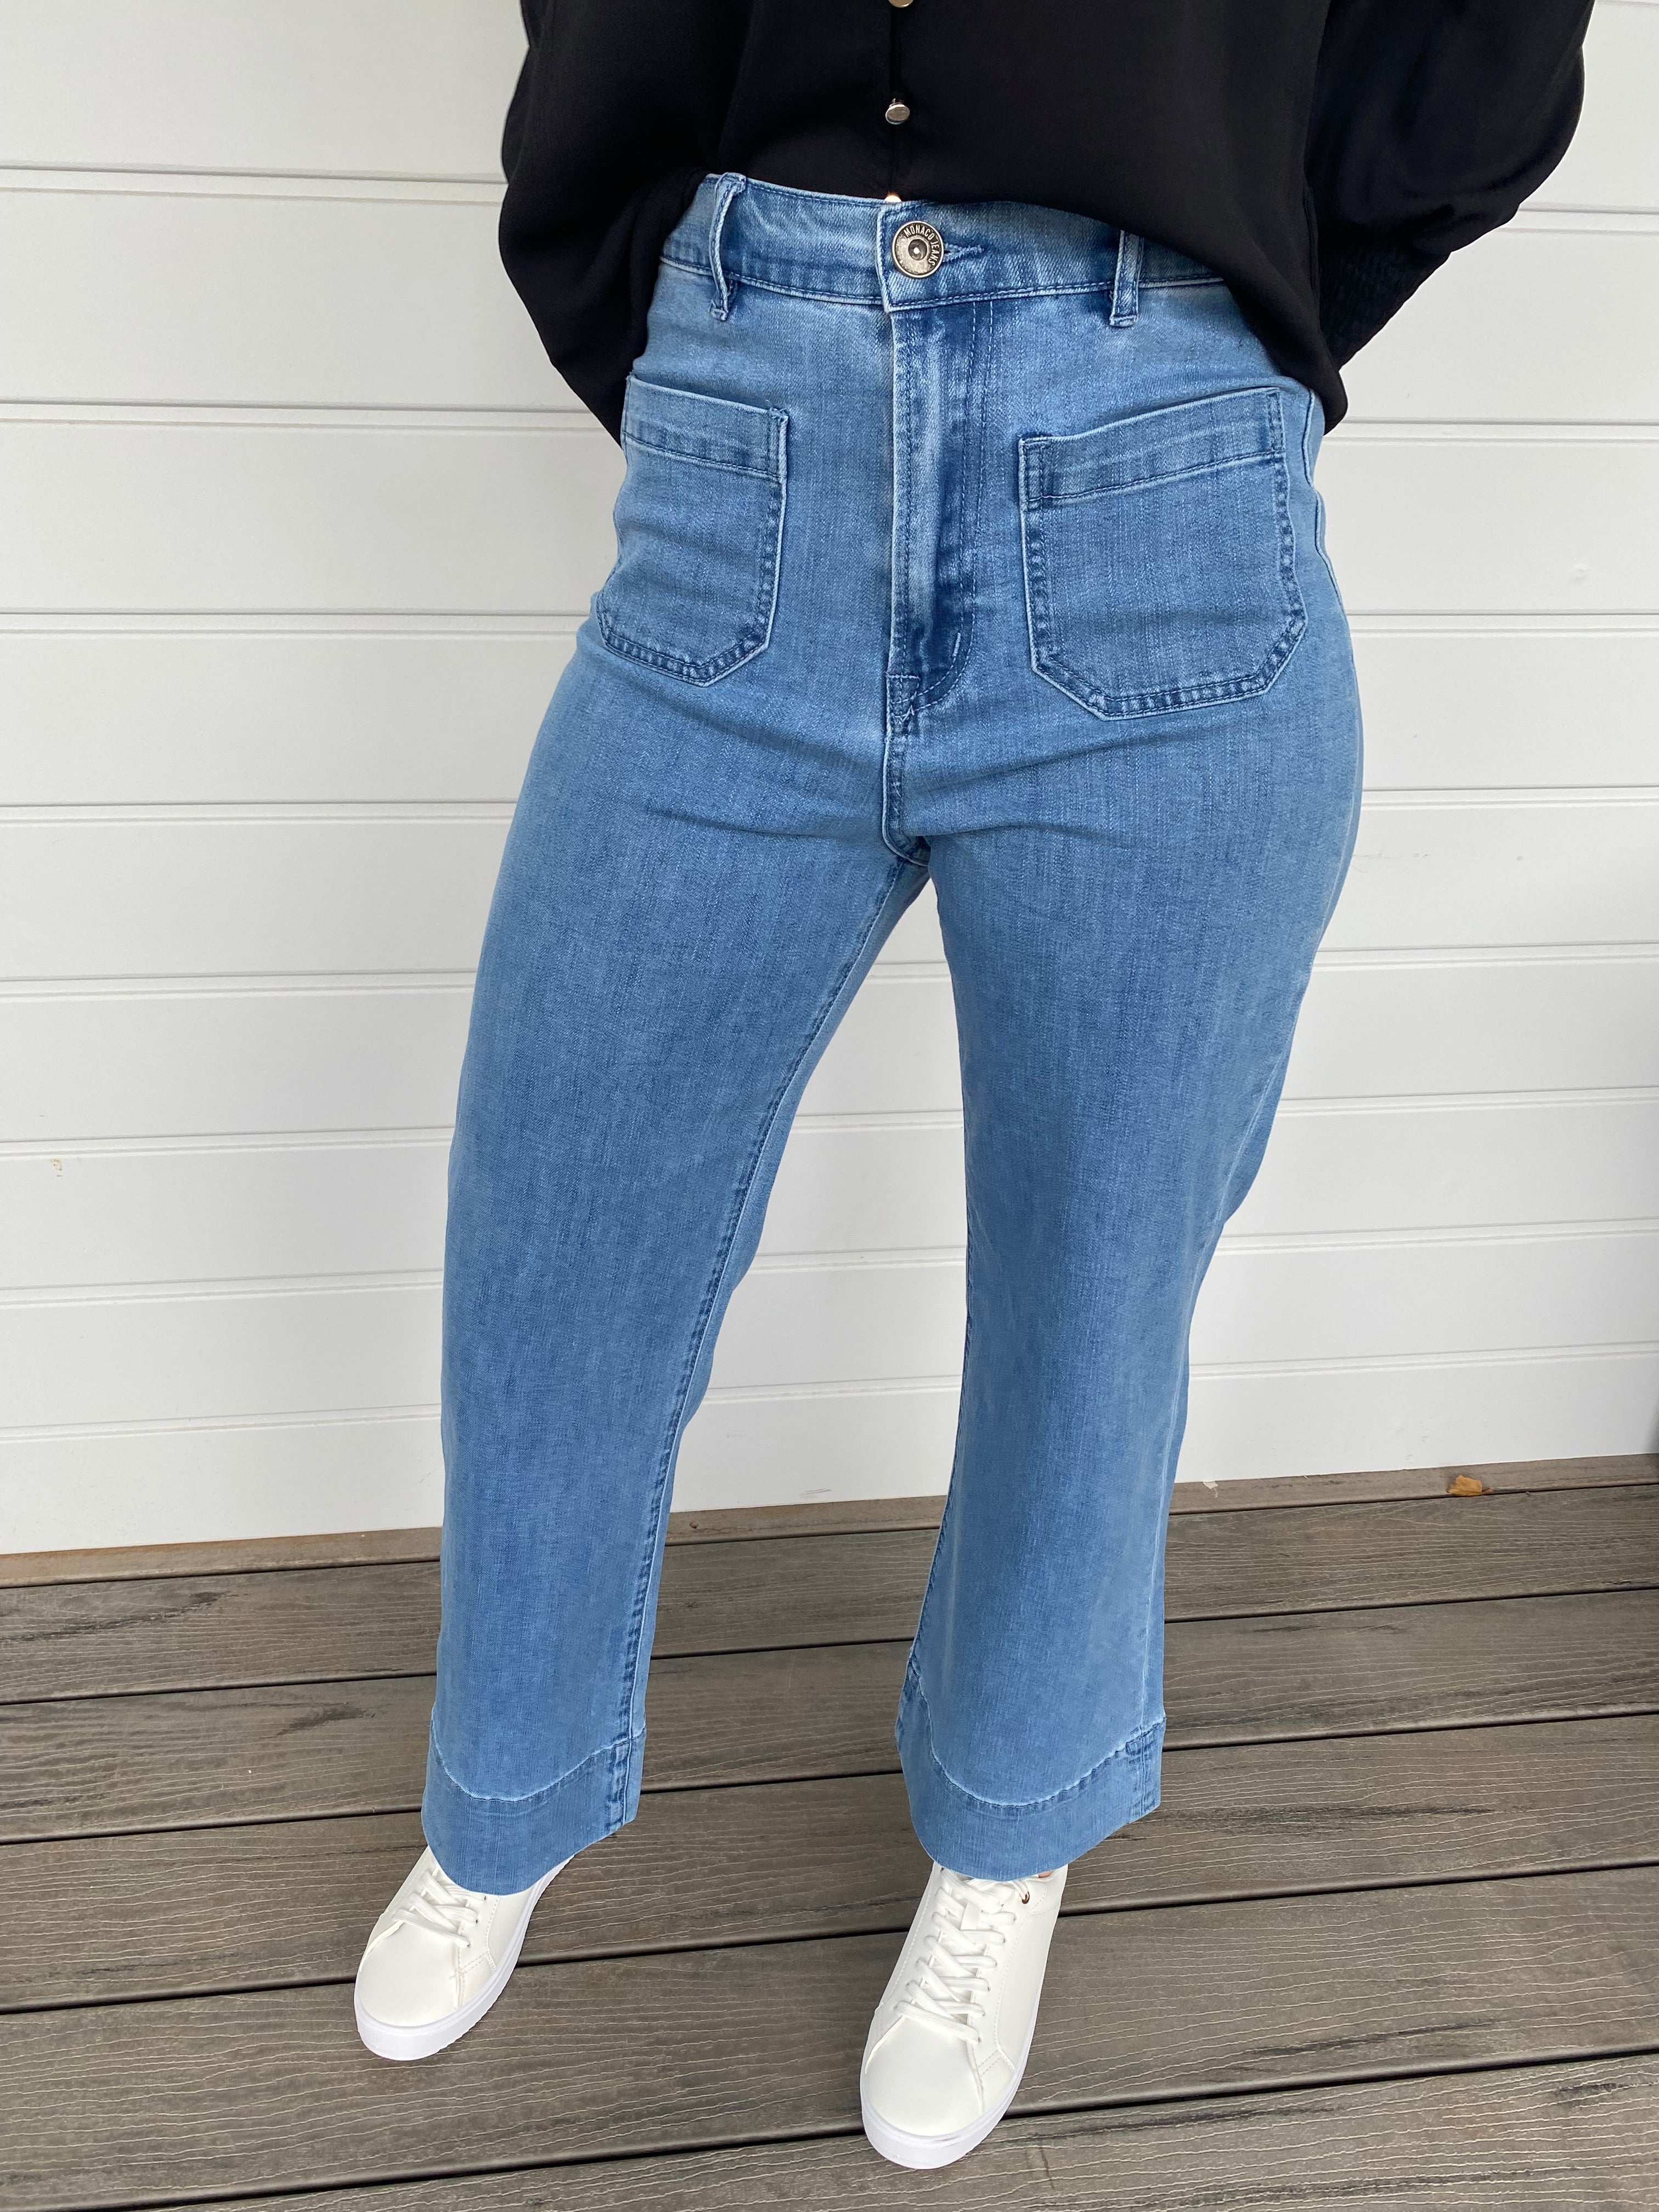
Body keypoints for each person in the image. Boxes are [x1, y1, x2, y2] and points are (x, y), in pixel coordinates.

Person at [352, 0, 1592, 2169]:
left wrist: (1232, 282)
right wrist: (673, 302)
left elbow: (1484, 53)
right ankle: (503, 1799)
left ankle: (1010, 1828)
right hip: (747, 439)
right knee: (558, 1226)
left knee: (1095, 1287)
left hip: (1161, 474)